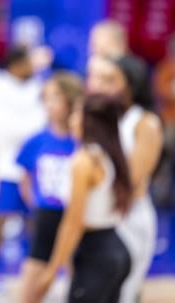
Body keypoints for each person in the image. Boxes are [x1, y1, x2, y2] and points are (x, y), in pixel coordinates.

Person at [32, 94, 133, 303]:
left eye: (77, 113)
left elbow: (73, 223)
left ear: (88, 120)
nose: (72, 119)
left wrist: (51, 271)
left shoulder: (84, 161)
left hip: (96, 253)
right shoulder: (108, 153)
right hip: (116, 248)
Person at [87, 55, 163, 303]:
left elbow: (133, 180)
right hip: (103, 214)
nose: (103, 87)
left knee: (125, 292)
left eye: (111, 80)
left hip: (130, 215)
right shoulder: (108, 118)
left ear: (131, 84)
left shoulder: (146, 122)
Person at [17, 72, 84, 302]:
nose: (49, 103)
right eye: (46, 97)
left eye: (55, 96)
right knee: (30, 290)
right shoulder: (36, 140)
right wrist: (35, 204)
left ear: (71, 100)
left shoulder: (82, 141)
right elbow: (25, 177)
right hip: (46, 217)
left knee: (80, 286)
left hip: (77, 219)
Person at [0, 45, 45, 255]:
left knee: (35, 221)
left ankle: (33, 264)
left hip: (32, 167)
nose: (32, 67)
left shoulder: (38, 86)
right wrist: (25, 129)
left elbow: (42, 122)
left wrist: (22, 130)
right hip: (2, 167)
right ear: (16, 64)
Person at [154, 30, 175, 205]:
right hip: (171, 120)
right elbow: (162, 90)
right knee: (167, 150)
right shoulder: (167, 67)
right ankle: (160, 192)